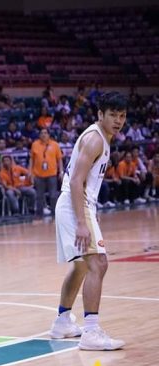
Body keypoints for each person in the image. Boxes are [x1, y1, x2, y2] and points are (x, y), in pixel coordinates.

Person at [50, 92, 128, 351]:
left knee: (83, 266)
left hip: (77, 204)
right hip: (74, 203)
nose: (118, 121)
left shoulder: (102, 137)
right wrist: (83, 222)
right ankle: (91, 332)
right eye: (113, 115)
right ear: (100, 115)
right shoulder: (95, 139)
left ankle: (62, 321)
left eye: (122, 116)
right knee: (99, 263)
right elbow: (74, 181)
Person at [29, 128, 63, 218]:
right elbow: (31, 159)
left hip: (52, 174)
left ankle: (55, 214)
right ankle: (39, 214)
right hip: (38, 175)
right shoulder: (35, 144)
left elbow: (59, 159)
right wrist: (30, 172)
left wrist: (61, 171)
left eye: (45, 133)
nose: (43, 135)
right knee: (39, 196)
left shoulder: (55, 144)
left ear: (49, 135)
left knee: (53, 195)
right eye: (41, 133)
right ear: (39, 135)